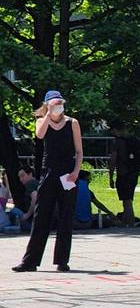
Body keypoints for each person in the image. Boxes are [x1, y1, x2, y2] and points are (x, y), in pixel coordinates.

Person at [13, 91, 82, 273]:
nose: (58, 107)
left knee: (66, 216)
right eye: (54, 104)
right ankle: (30, 261)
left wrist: (75, 172)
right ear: (48, 105)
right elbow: (40, 135)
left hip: (67, 173)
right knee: (41, 215)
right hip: (49, 172)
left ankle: (62, 260)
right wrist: (48, 115)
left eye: (60, 103)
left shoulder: (72, 123)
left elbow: (79, 151)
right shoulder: (41, 121)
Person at [109, 124, 140, 225]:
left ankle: (130, 221)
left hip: (123, 173)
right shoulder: (134, 140)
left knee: (126, 200)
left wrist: (111, 177)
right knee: (129, 198)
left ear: (116, 129)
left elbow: (113, 160)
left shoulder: (117, 142)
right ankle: (127, 220)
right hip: (134, 173)